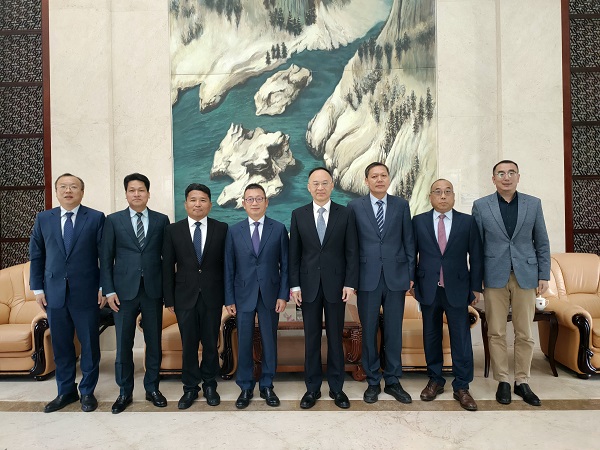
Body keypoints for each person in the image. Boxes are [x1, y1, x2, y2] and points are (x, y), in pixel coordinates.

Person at [472, 160, 550, 407]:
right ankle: (503, 381)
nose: (506, 177)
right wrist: (476, 281)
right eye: (501, 173)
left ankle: (522, 381)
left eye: (511, 173)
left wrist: (544, 274)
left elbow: (542, 241)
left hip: (526, 275)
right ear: (493, 179)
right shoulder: (481, 206)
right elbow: (476, 247)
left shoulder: (533, 204)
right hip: (494, 275)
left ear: (518, 176)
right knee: (496, 331)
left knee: (524, 332)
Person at [29, 173, 106, 413]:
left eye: (73, 187)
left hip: (87, 293)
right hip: (54, 293)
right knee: (61, 346)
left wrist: (104, 287)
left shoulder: (95, 217)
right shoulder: (44, 219)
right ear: (56, 191)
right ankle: (65, 391)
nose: (68, 190)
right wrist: (38, 288)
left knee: (89, 345)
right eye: (63, 186)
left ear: (82, 192)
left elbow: (105, 256)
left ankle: (87, 392)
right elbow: (37, 255)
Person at [289, 167, 359, 409]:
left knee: (335, 338)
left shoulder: (345, 213)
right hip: (308, 286)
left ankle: (337, 388)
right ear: (309, 187)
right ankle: (312, 388)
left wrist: (350, 283)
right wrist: (295, 285)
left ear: (332, 185)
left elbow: (352, 251)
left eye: (325, 183)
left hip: (337, 286)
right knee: (311, 338)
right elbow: (294, 254)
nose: (320, 187)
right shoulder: (298, 214)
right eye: (315, 183)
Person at [100, 173, 170, 414]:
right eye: (132, 190)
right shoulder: (113, 220)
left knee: (154, 343)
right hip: (122, 292)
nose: (137, 194)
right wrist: (108, 290)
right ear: (126, 194)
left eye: (141, 190)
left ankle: (152, 388)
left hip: (152, 290)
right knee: (123, 344)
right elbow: (106, 258)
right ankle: (124, 392)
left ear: (148, 193)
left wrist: (167, 291)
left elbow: (167, 258)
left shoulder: (161, 220)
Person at [347, 162, 415, 404]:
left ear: (388, 178)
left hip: (396, 277)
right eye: (374, 176)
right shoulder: (355, 206)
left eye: (383, 175)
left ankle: (393, 381)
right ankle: (373, 381)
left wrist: (410, 274)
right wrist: (351, 279)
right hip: (367, 278)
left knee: (394, 332)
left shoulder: (401, 205)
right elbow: (351, 246)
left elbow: (409, 241)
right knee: (368, 331)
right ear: (366, 181)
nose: (379, 180)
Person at [413, 179, 483, 411]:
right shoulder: (419, 221)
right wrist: (412, 282)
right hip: (428, 288)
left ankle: (462, 386)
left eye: (447, 192)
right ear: (430, 197)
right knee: (431, 336)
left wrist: (475, 287)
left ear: (453, 196)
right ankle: (435, 380)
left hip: (458, 288)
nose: (442, 196)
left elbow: (476, 256)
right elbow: (411, 253)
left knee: (460, 338)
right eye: (438, 192)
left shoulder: (467, 222)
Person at [162, 183, 228, 409]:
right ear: (185, 204)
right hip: (184, 297)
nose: (197, 204)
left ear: (210, 204)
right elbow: (167, 266)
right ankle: (190, 387)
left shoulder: (222, 228)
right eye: (193, 200)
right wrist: (169, 299)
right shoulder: (173, 230)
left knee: (210, 343)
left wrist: (227, 297)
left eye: (202, 200)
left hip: (213, 296)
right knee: (188, 344)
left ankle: (210, 385)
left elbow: (227, 266)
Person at [224, 183, 289, 409]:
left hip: (271, 294)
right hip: (242, 294)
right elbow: (229, 268)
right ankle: (245, 386)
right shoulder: (234, 231)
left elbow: (286, 266)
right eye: (250, 199)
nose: (254, 203)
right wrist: (229, 298)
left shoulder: (278, 229)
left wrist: (283, 295)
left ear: (266, 202)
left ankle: (267, 384)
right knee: (244, 340)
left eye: (259, 198)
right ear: (243, 203)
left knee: (269, 340)